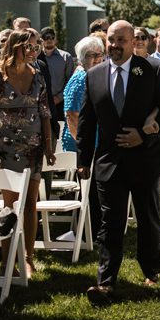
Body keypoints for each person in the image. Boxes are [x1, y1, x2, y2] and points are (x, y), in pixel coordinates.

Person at [76, 20, 160, 305]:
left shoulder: (152, 70)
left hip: (145, 158)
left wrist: (145, 133)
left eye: (121, 40)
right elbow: (87, 120)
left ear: (133, 42)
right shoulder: (93, 75)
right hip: (109, 161)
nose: (115, 45)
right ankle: (105, 282)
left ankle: (152, 271)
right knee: (110, 223)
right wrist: (84, 159)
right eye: (111, 39)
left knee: (148, 219)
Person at [0, 30, 54, 276]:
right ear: (15, 46)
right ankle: (7, 260)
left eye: (35, 47)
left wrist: (48, 146)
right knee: (9, 206)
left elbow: (45, 112)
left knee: (30, 203)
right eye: (28, 47)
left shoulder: (37, 74)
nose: (33, 51)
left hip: (33, 147)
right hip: (5, 147)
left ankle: (28, 257)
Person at [62, 35, 105, 238]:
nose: (96, 59)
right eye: (91, 55)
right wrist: (83, 146)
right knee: (89, 191)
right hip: (83, 145)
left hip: (93, 143)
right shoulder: (81, 79)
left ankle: (92, 231)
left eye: (99, 54)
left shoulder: (92, 75)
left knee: (94, 192)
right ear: (81, 58)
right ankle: (88, 233)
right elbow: (71, 115)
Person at [38, 26, 76, 134]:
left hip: (60, 103)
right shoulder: (36, 57)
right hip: (41, 103)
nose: (49, 40)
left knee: (60, 133)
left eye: (52, 37)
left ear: (56, 39)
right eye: (46, 37)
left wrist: (59, 98)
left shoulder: (66, 57)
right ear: (41, 40)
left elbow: (70, 82)